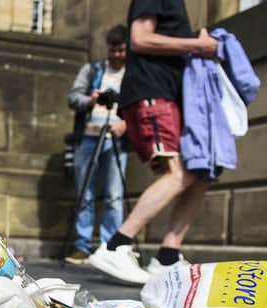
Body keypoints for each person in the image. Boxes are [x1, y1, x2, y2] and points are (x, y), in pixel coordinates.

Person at [88, 0, 218, 284]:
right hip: (153, 93)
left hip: (169, 96)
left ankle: (168, 257)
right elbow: (140, 38)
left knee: (200, 173)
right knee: (178, 174)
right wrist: (196, 45)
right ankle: (116, 245)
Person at [65, 25, 129, 265]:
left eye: (121, 50)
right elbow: (73, 98)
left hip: (117, 140)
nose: (117, 55)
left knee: (114, 196)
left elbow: (139, 107)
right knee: (85, 195)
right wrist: (90, 100)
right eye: (113, 50)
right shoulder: (92, 70)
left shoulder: (133, 75)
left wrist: (126, 124)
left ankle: (109, 249)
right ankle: (82, 246)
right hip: (88, 138)